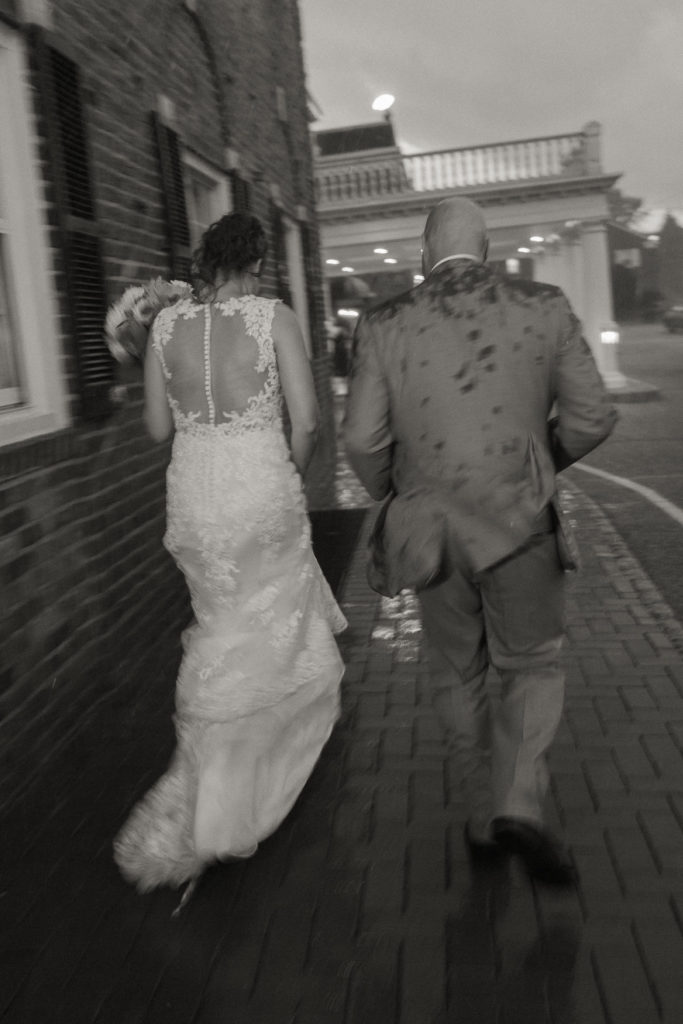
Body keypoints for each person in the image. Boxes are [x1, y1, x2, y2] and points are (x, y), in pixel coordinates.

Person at [344, 197, 617, 885]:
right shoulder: (544, 305)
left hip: (431, 535)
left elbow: (360, 439)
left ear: (422, 253)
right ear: (487, 250)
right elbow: (591, 416)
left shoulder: (384, 323)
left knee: (455, 672)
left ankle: (479, 817)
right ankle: (517, 801)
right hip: (521, 525)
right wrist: (538, 461)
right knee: (531, 664)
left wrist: (396, 488)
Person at [114, 212, 346, 907]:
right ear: (258, 262)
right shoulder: (273, 316)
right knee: (268, 637)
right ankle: (242, 787)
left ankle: (212, 784)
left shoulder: (164, 326)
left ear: (204, 262)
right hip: (258, 486)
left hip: (195, 496)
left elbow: (158, 428)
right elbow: (305, 421)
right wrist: (287, 474)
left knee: (220, 632)